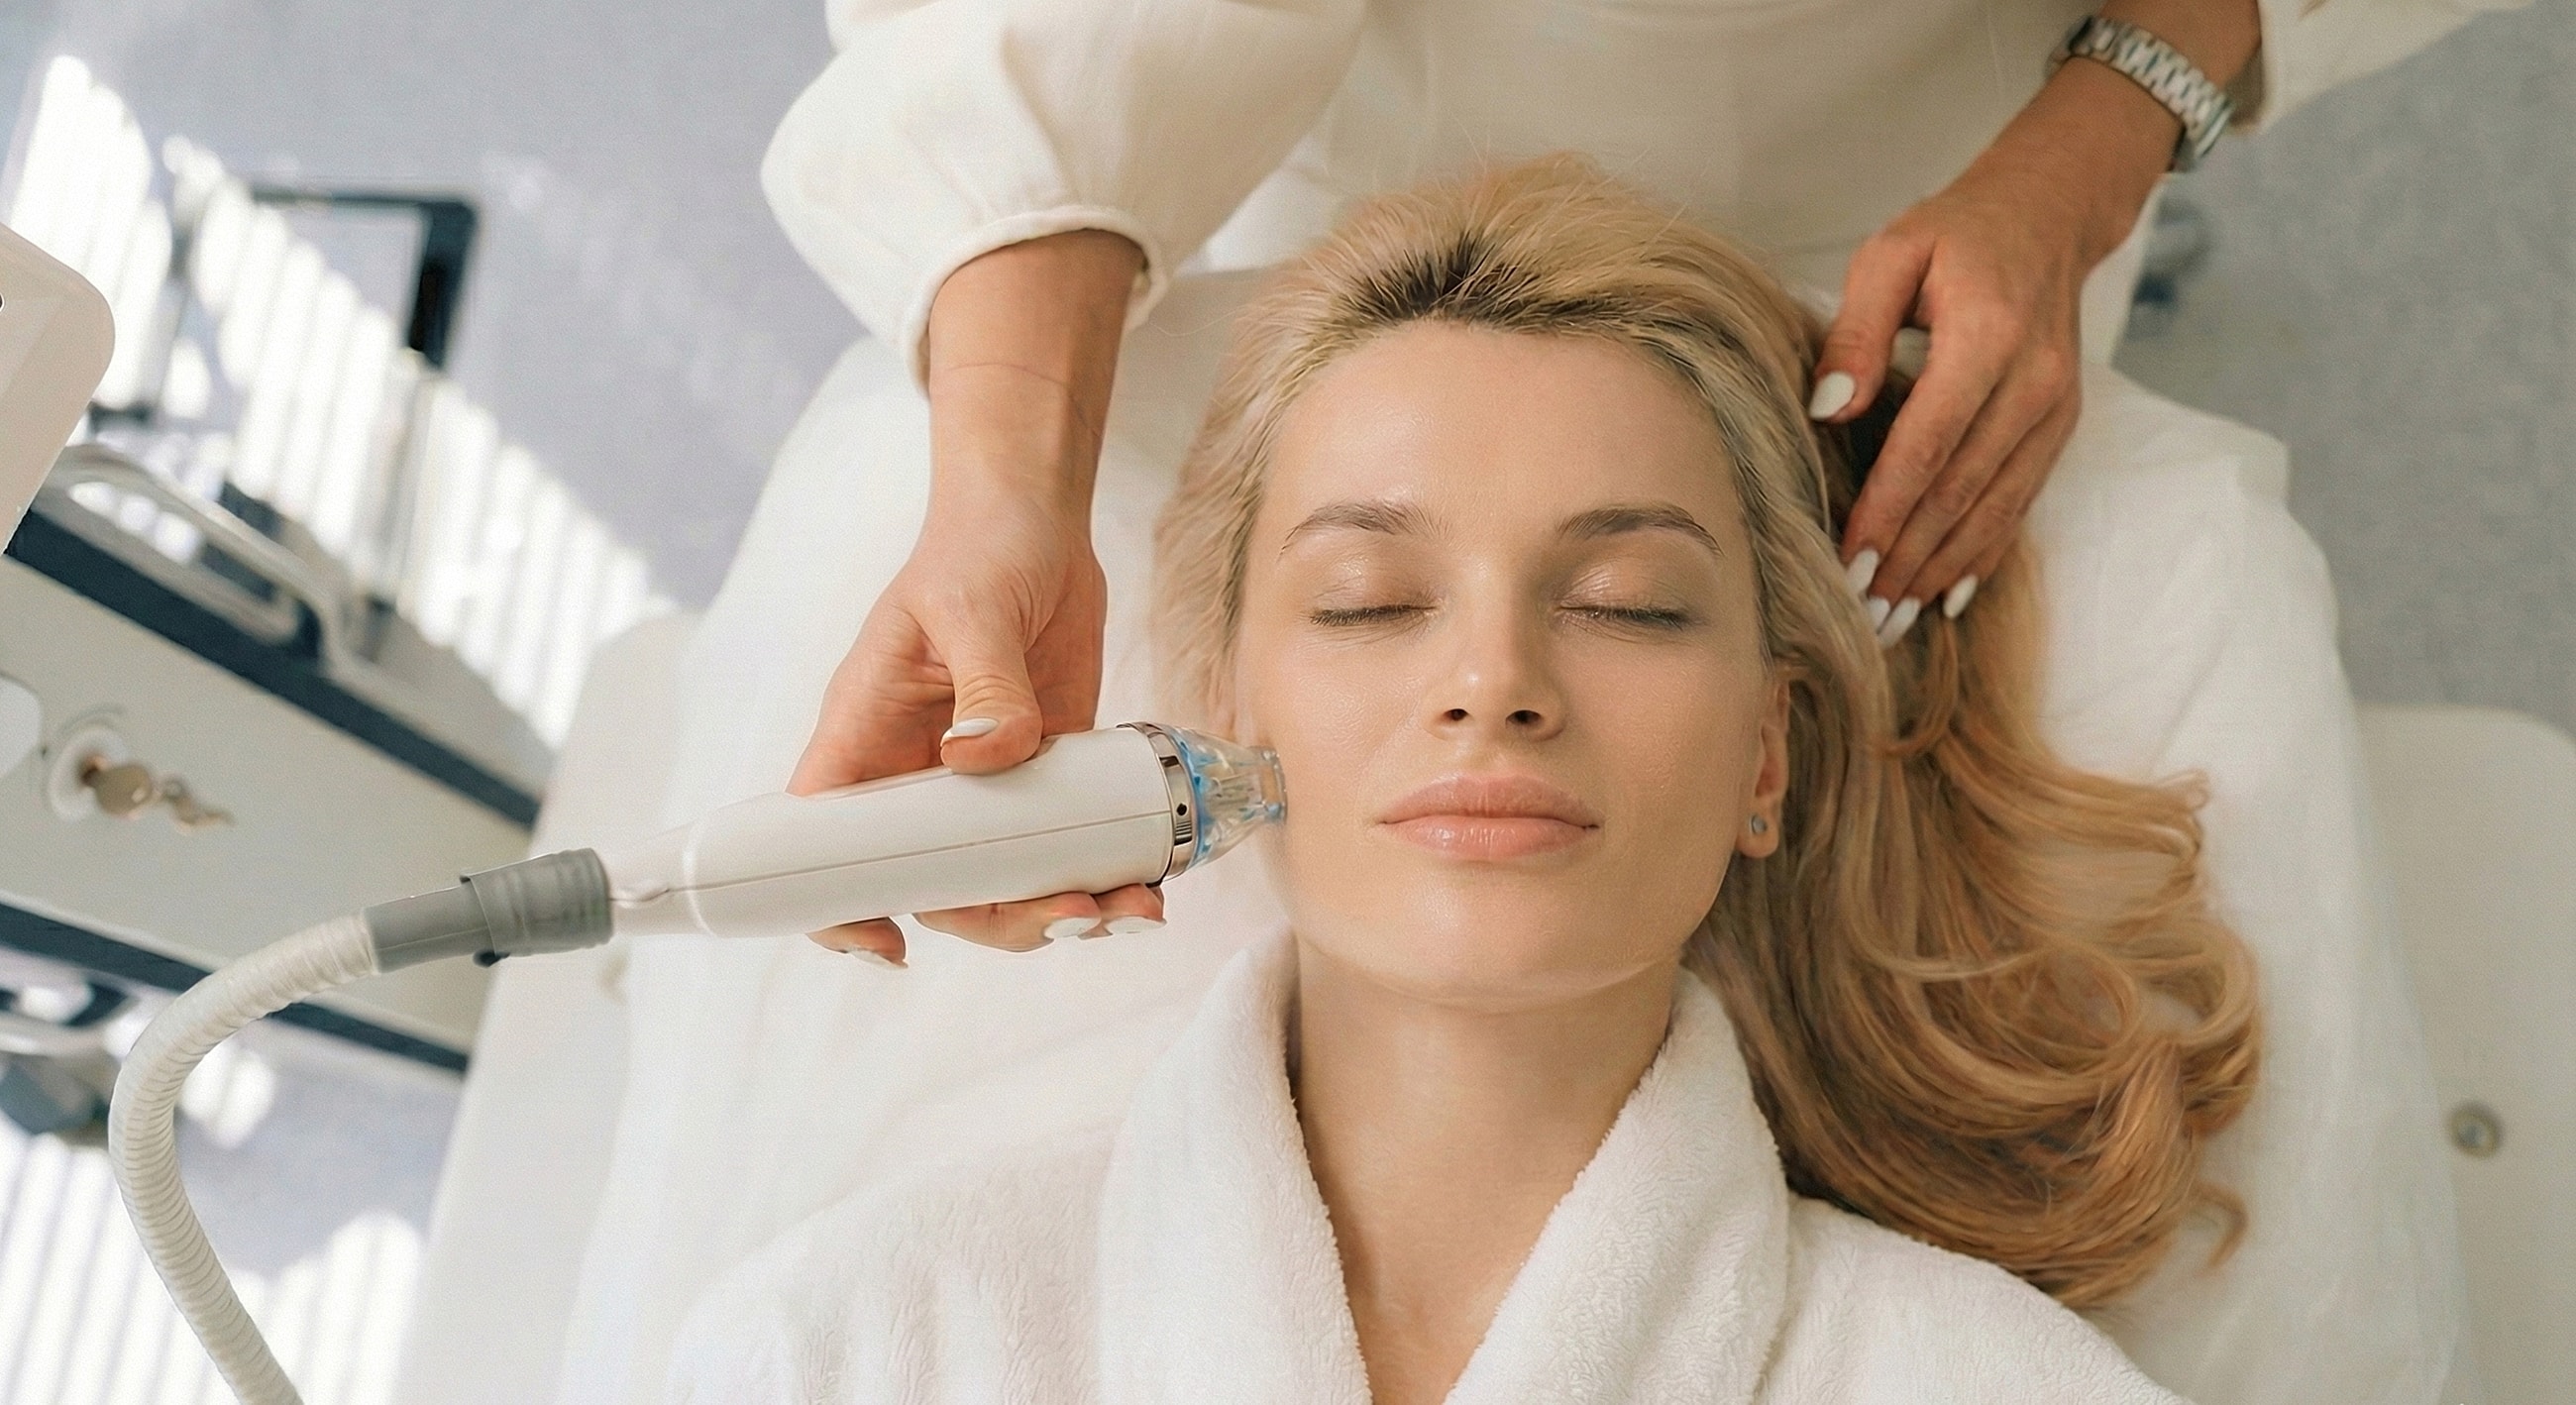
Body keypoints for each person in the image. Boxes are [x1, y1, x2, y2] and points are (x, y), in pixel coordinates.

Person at [532, 2, 2495, 1399]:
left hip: (1940, 205)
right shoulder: (858, 1343)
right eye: (1370, 598)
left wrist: (2109, 115)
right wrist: (1004, 481)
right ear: (1213, 721)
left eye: (1636, 602)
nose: (1489, 684)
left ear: (1770, 751)